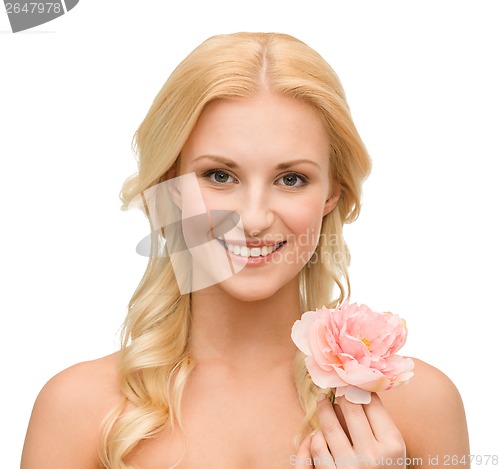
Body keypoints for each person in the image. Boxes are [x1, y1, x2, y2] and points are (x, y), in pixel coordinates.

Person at [21, 32, 469, 469]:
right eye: (219, 175)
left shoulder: (420, 407)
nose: (253, 219)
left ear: (333, 192)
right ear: (170, 184)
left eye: (291, 178)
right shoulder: (76, 410)